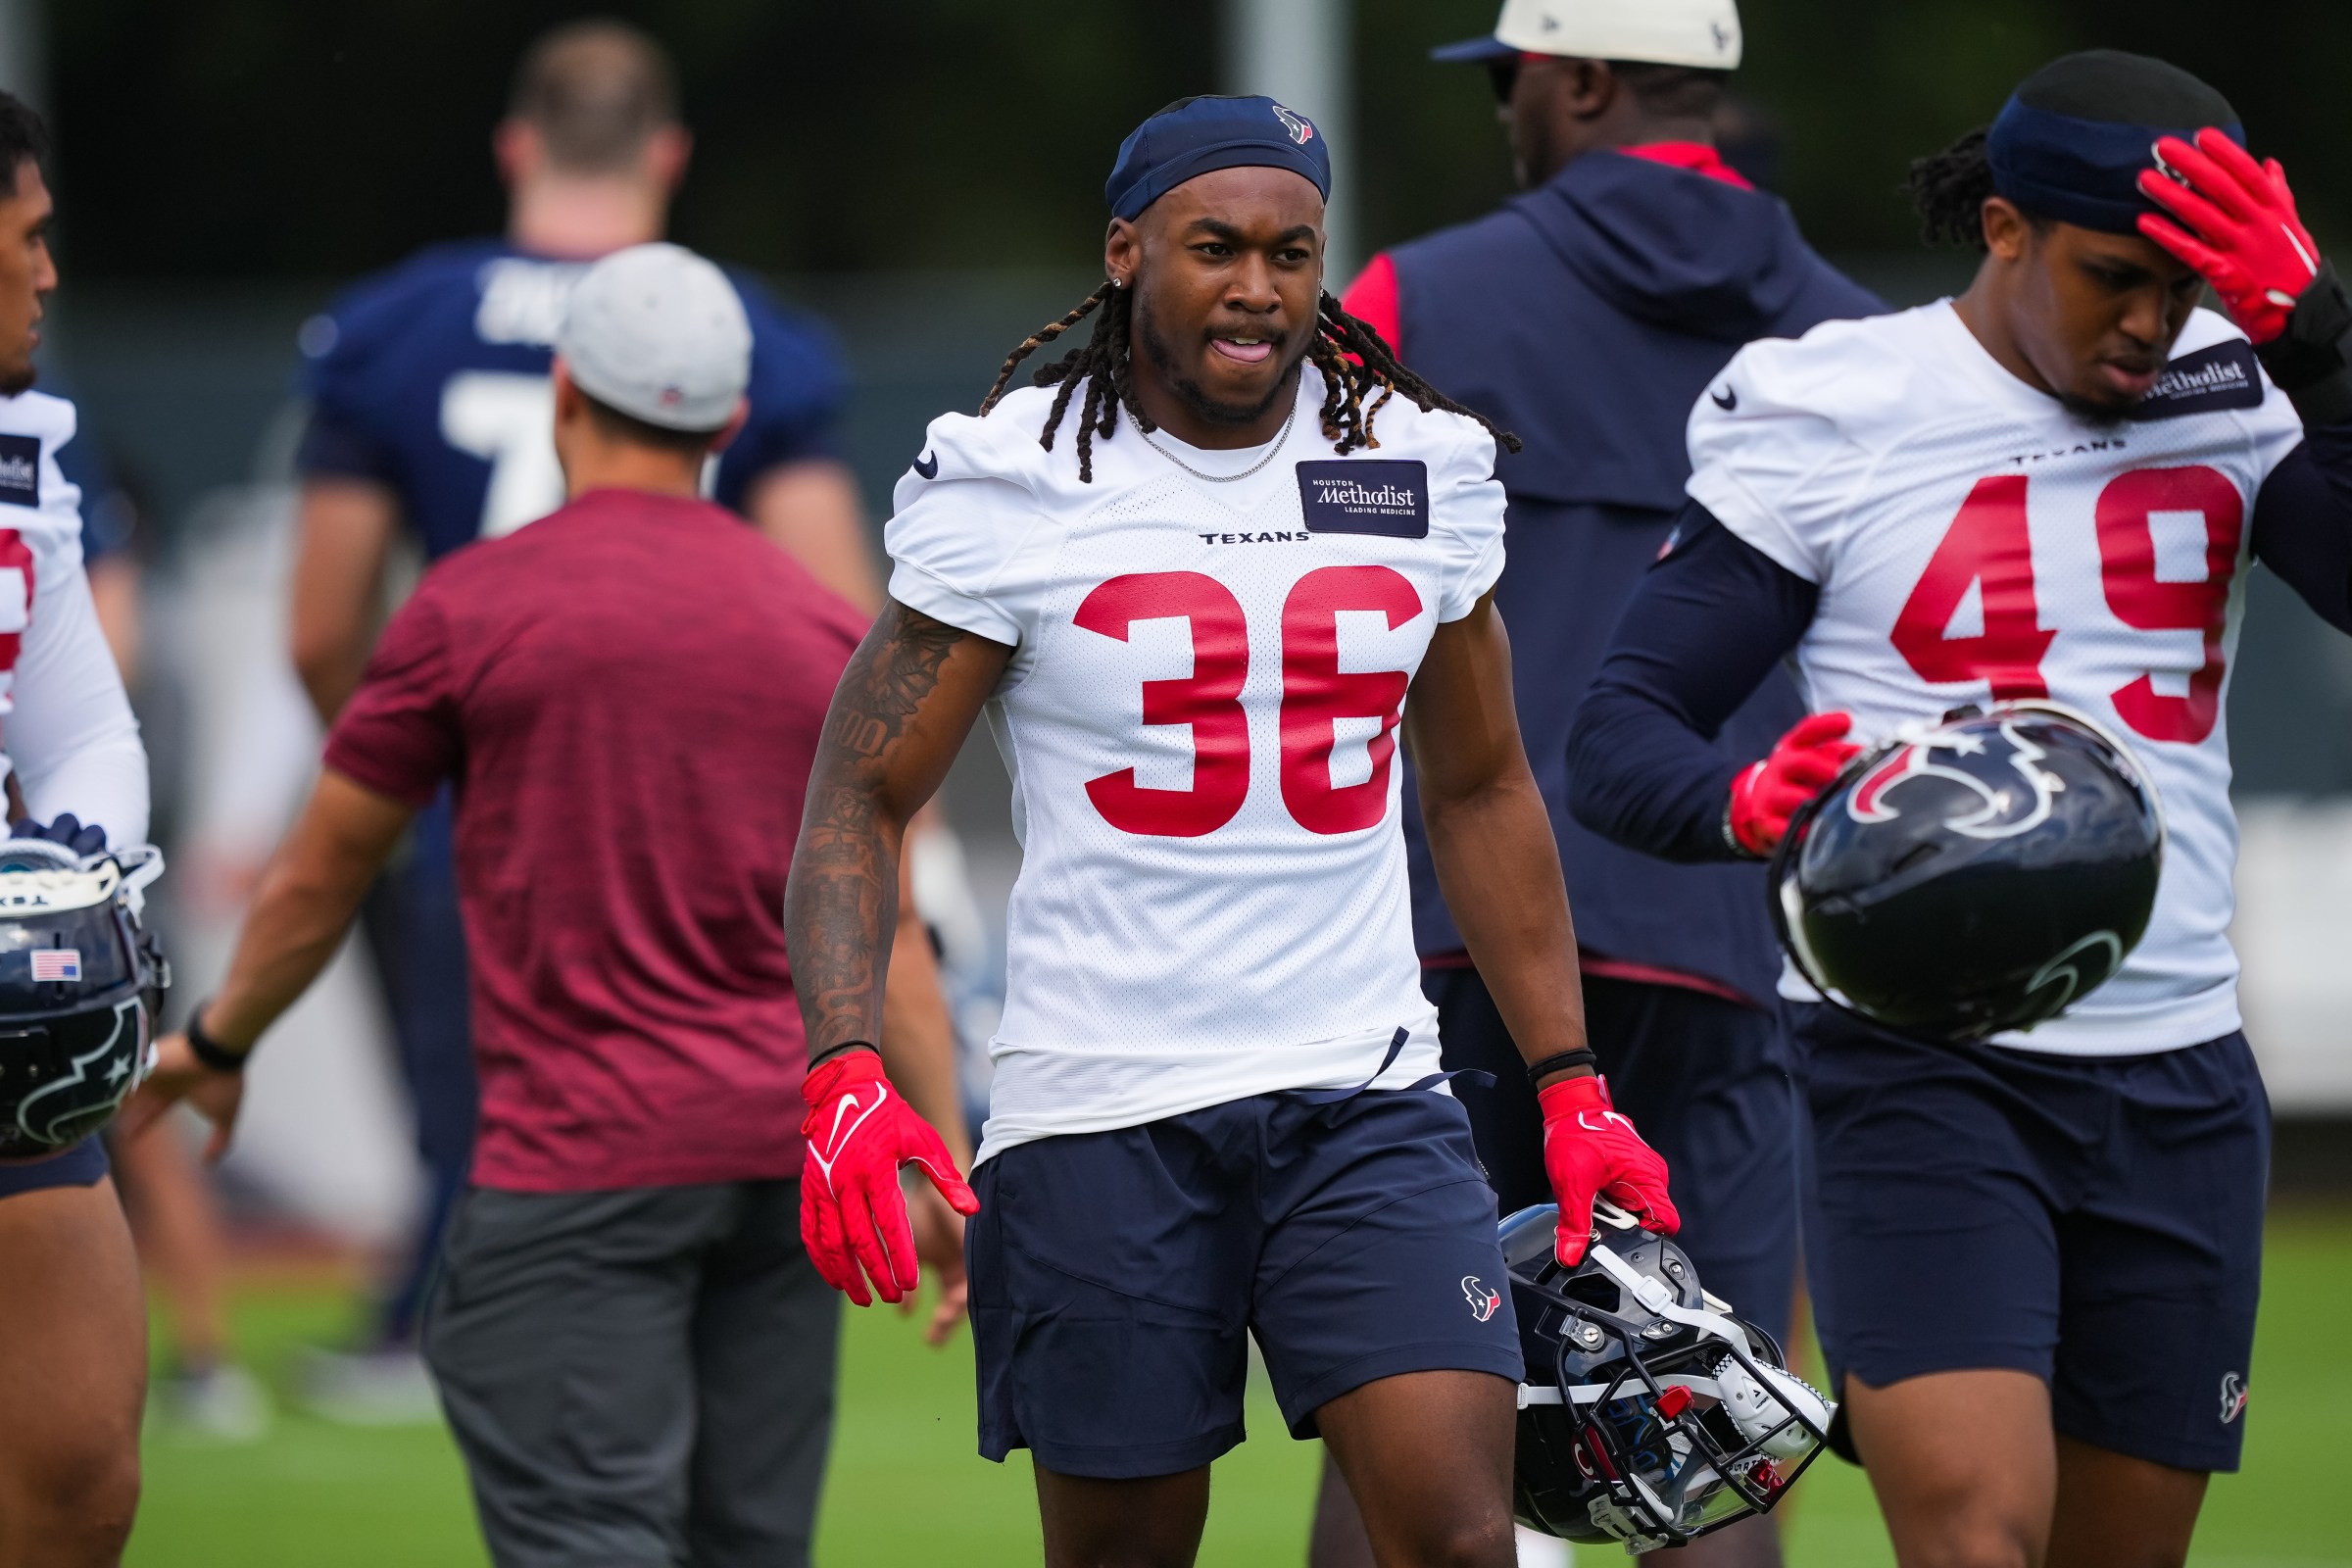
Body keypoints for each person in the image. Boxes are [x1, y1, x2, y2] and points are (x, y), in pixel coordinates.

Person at [779, 95, 1680, 1568]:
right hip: (1102, 1115)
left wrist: (1571, 1084)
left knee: (1467, 1541)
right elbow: (859, 793)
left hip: (1365, 1097)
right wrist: (843, 1069)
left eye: (1292, 251)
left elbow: (1480, 786)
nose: (1256, 286)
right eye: (1215, 247)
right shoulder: (1018, 478)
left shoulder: (1415, 466)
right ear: (1128, 251)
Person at [1566, 50, 2352, 1567]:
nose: (2148, 323)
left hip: (2179, 1068)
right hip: (1918, 1067)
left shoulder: (2246, 387)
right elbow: (1619, 733)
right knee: (1979, 1536)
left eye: (2186, 287)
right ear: (2003, 229)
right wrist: (1744, 800)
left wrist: (2318, 342)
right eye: (2113, 276)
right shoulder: (1840, 401)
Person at [123, 243, 966, 1568]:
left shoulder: (471, 608)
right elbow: (887, 925)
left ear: (565, 389)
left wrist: (222, 1044)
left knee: (588, 1543)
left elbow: (323, 868)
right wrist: (936, 1148)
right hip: (771, 1176)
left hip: (576, 1172)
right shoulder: (820, 630)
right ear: (733, 426)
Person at [1323, 6, 1878, 1559]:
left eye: (1511, 82)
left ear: (1573, 80)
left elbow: (1319, 591)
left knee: (1404, 1422)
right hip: (1729, 926)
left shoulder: (1415, 298)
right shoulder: (1854, 343)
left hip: (1448, 940)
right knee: (1709, 1426)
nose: (1506, 113)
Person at [285, 19, 868, 1416]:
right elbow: (848, 626)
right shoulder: (747, 336)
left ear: (515, 147)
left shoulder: (393, 327)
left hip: (484, 772)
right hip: (707, 794)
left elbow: (320, 625)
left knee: (489, 1103)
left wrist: (405, 763)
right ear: (668, 155)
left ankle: (460, 1330)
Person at [0, 92, 158, 1568]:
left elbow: (82, 731)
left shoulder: (21, 445)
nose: (49, 275)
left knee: (76, 1470)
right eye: (29, 236)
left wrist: (63, 873)